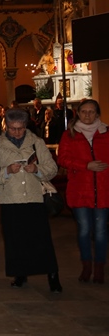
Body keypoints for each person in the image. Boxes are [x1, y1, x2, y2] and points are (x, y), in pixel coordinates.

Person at [0, 108, 62, 293]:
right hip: (10, 199)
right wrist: (7, 171)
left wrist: (36, 169)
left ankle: (52, 275)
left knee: (42, 239)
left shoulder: (36, 142)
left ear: (26, 126)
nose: (17, 132)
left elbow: (52, 168)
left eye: (20, 128)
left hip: (34, 197)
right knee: (15, 240)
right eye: (13, 128)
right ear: (6, 126)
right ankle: (20, 274)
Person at [57, 99, 109, 284]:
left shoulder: (106, 133)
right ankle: (87, 266)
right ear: (78, 113)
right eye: (84, 111)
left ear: (97, 114)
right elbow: (62, 159)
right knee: (84, 230)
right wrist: (86, 165)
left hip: (103, 189)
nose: (87, 115)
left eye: (91, 111)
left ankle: (99, 267)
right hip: (80, 189)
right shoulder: (69, 135)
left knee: (101, 231)